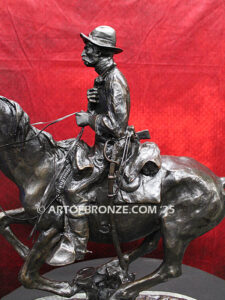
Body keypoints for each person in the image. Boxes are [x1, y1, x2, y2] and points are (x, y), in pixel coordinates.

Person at [47, 26, 131, 265]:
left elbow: (118, 126)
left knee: (73, 189)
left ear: (102, 52)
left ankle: (77, 244)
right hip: (101, 145)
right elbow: (105, 114)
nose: (84, 52)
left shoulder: (115, 80)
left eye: (89, 48)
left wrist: (90, 119)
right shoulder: (102, 78)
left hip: (112, 150)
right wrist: (92, 105)